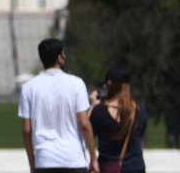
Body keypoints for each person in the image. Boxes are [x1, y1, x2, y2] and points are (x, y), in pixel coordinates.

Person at [19, 38, 99, 173]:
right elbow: (85, 125)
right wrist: (93, 158)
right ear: (59, 58)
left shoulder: (28, 88)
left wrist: (32, 164)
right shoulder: (76, 84)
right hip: (73, 159)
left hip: (45, 160)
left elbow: (27, 131)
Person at [90, 67, 147, 173]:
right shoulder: (140, 109)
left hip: (109, 166)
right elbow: (140, 133)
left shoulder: (100, 111)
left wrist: (93, 106)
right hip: (136, 166)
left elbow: (89, 135)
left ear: (110, 84)